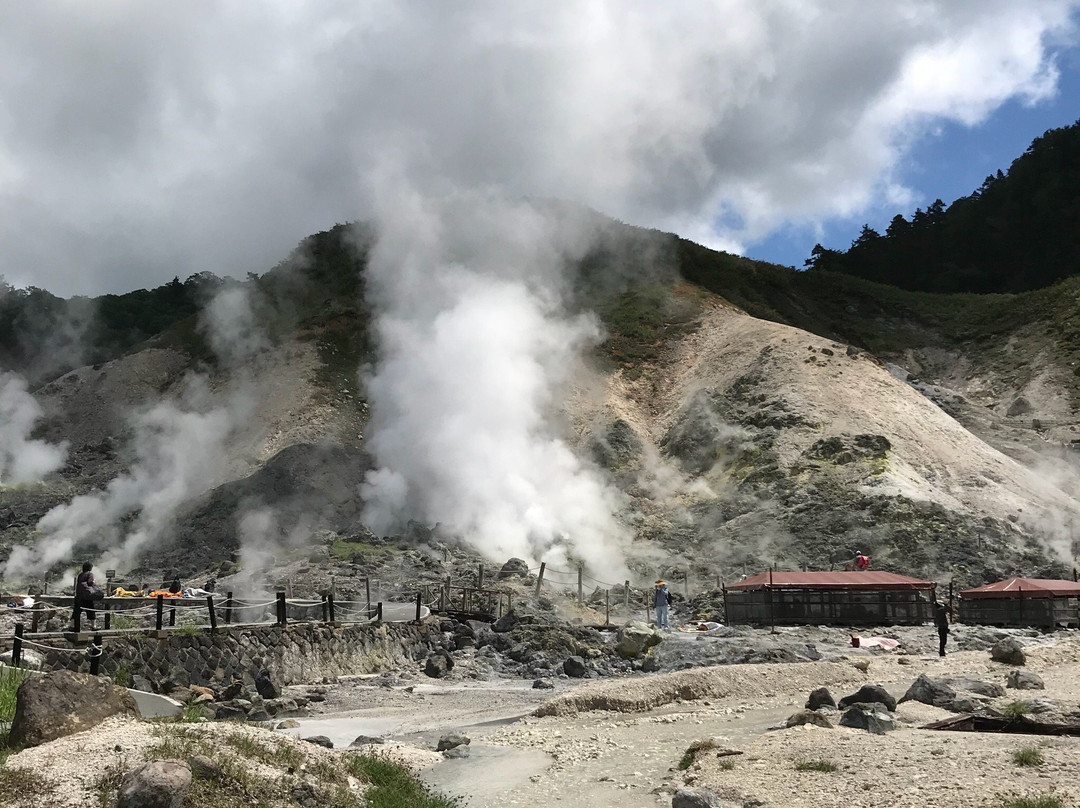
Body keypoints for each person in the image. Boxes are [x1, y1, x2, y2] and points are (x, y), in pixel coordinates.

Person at [73, 561, 98, 630]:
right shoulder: (90, 574)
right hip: (87, 596)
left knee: (76, 611)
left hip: (79, 595)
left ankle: (72, 626)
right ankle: (93, 626)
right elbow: (90, 583)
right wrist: (94, 582)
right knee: (91, 610)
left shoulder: (80, 575)